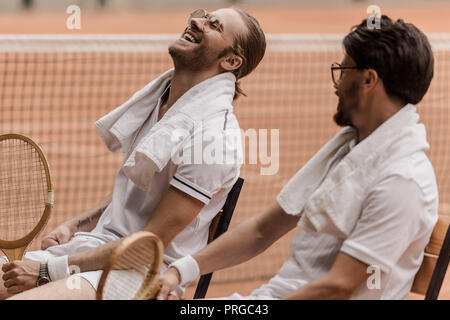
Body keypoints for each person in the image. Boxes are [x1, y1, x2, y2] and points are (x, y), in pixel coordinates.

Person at [156, 15, 438, 300]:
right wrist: (179, 271)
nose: (337, 86)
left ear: (367, 79)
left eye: (343, 71)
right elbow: (262, 230)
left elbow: (337, 287)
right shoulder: (352, 150)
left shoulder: (401, 181)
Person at [0, 7, 266, 300]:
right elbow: (141, 191)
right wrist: (76, 225)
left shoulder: (214, 138)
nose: (196, 21)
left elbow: (147, 247)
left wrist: (48, 271)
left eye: (214, 25)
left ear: (231, 61)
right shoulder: (163, 103)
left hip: (144, 275)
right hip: (96, 251)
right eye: (202, 15)